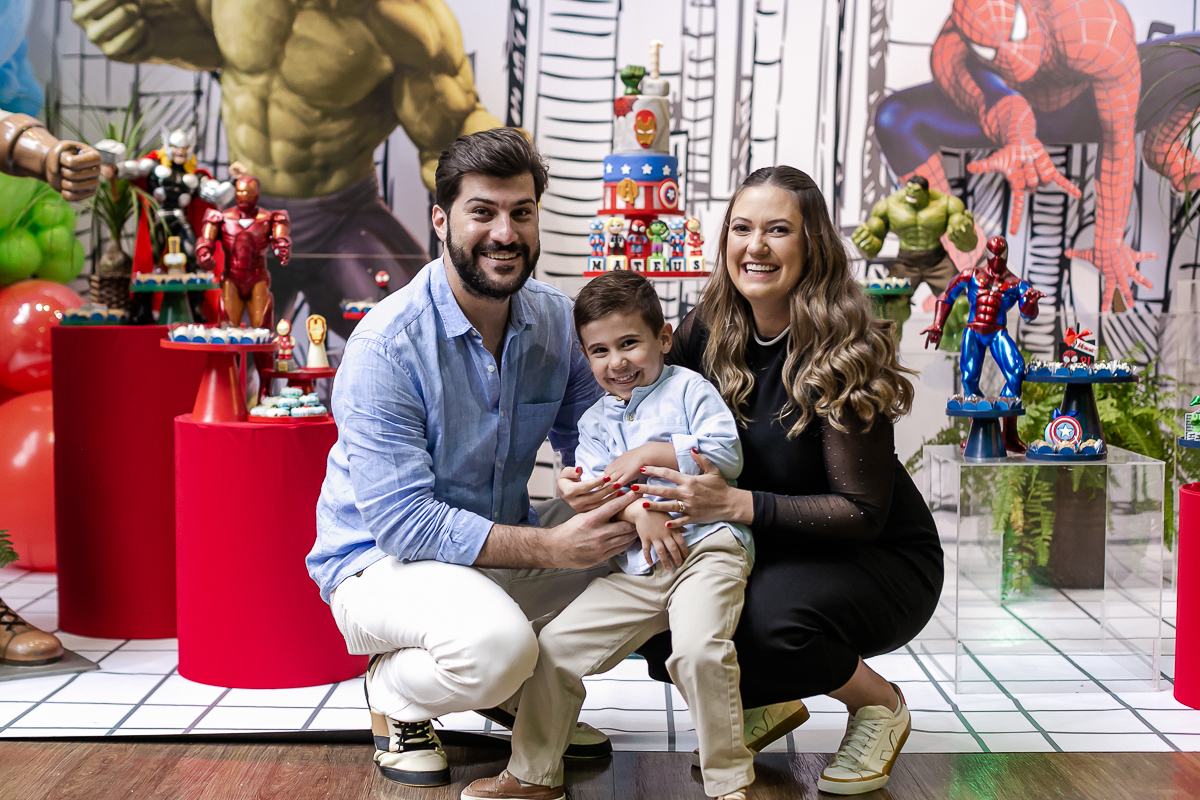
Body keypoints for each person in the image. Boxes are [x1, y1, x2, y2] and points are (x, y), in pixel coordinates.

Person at [559, 166, 943, 796]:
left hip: (875, 556)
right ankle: (766, 702)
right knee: (669, 621)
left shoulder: (843, 349)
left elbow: (860, 514)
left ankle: (878, 703)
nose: (755, 246)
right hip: (768, 542)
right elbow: (634, 421)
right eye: (742, 228)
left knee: (767, 622)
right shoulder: (708, 331)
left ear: (811, 245)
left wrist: (734, 501)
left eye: (777, 230)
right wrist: (601, 491)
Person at [306, 128, 643, 788]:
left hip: (488, 555)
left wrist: (616, 487)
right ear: (441, 220)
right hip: (378, 565)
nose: (505, 233)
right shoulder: (386, 346)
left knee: (651, 549)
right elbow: (406, 525)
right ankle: (398, 695)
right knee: (497, 645)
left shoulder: (555, 324)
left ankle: (521, 692)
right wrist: (553, 549)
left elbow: (598, 441)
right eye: (482, 212)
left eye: (521, 212)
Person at [464, 271, 756, 800]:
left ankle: (729, 782)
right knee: (553, 648)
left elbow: (726, 456)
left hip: (706, 549)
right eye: (599, 351)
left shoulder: (690, 389)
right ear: (585, 356)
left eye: (629, 344)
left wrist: (648, 455)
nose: (616, 362)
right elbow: (599, 494)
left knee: (695, 652)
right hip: (641, 566)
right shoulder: (596, 421)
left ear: (662, 339)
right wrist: (581, 490)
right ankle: (532, 774)